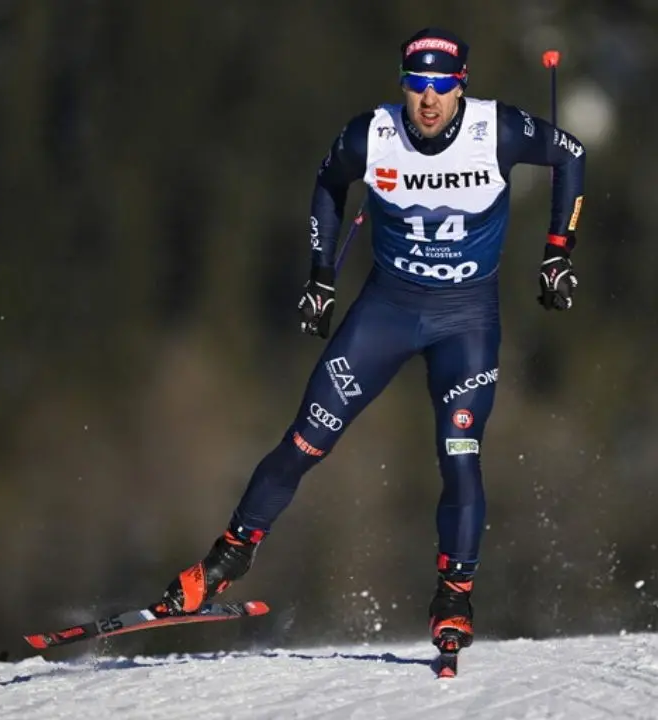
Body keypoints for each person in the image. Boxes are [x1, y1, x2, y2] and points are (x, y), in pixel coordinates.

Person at [163, 27, 586, 653]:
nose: (430, 101)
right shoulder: (373, 134)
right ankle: (226, 559)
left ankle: (454, 598)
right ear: (404, 87)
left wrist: (557, 253)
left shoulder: (498, 130)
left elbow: (571, 154)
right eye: (418, 87)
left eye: (443, 87)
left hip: (466, 318)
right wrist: (321, 277)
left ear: (461, 85)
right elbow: (328, 185)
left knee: (460, 452)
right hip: (387, 312)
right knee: (307, 438)